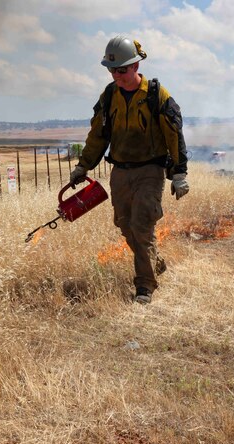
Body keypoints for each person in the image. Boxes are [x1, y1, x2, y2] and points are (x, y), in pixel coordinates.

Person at [70, 35, 189, 305]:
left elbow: (175, 135)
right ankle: (153, 262)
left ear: (135, 66)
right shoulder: (110, 95)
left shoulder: (157, 94)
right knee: (125, 226)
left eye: (121, 69)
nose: (116, 75)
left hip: (150, 170)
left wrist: (179, 173)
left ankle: (144, 287)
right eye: (111, 70)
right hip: (120, 172)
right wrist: (83, 165)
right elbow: (98, 135)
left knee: (142, 225)